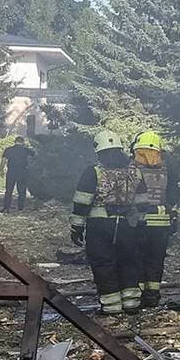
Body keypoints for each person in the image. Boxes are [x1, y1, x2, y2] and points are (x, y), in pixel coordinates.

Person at [70, 130, 138, 317]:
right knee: (128, 262)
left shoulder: (93, 172)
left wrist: (76, 227)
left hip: (99, 226)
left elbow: (82, 202)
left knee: (103, 263)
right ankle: (131, 302)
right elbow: (143, 203)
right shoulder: (134, 172)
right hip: (126, 226)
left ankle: (111, 306)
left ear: (99, 151)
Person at [126, 130, 177, 310]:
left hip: (139, 223)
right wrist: (174, 217)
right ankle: (152, 296)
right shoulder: (167, 169)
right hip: (161, 224)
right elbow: (173, 197)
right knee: (155, 260)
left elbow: (125, 197)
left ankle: (138, 295)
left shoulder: (130, 169)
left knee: (137, 259)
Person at [2, 135, 33, 211]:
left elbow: (3, 160)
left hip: (11, 172)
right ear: (22, 142)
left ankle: (6, 207)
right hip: (22, 172)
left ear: (15, 142)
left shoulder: (8, 149)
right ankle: (20, 208)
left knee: (9, 190)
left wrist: (1, 170)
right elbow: (34, 156)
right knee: (22, 191)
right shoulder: (26, 150)